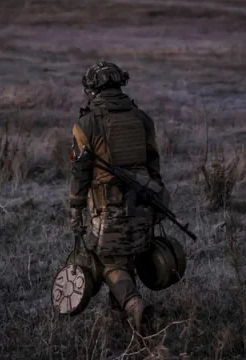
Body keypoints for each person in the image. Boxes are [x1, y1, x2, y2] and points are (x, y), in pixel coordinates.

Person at [69, 61, 166, 335]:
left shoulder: (86, 123)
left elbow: (79, 172)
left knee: (109, 262)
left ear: (92, 89)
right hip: (145, 201)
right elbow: (153, 165)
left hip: (109, 207)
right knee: (128, 259)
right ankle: (123, 324)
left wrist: (75, 209)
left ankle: (135, 306)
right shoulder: (142, 118)